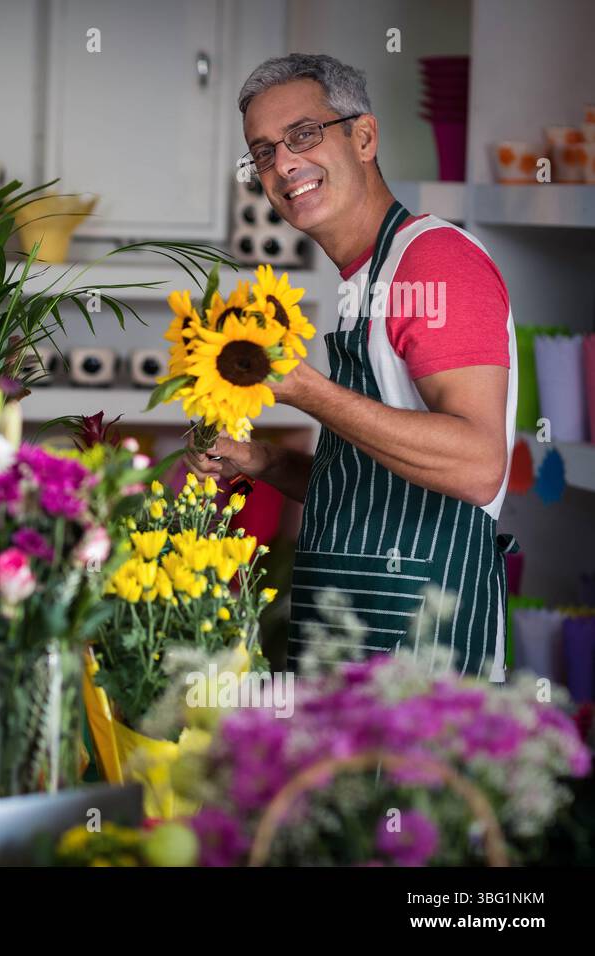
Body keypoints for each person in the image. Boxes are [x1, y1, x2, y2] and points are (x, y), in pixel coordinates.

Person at [185, 54, 516, 680]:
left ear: (364, 136)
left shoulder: (433, 263)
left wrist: (305, 389)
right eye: (262, 152)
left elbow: (477, 466)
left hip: (425, 658)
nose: (282, 164)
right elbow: (377, 489)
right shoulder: (362, 280)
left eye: (303, 135)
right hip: (348, 647)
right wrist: (265, 463)